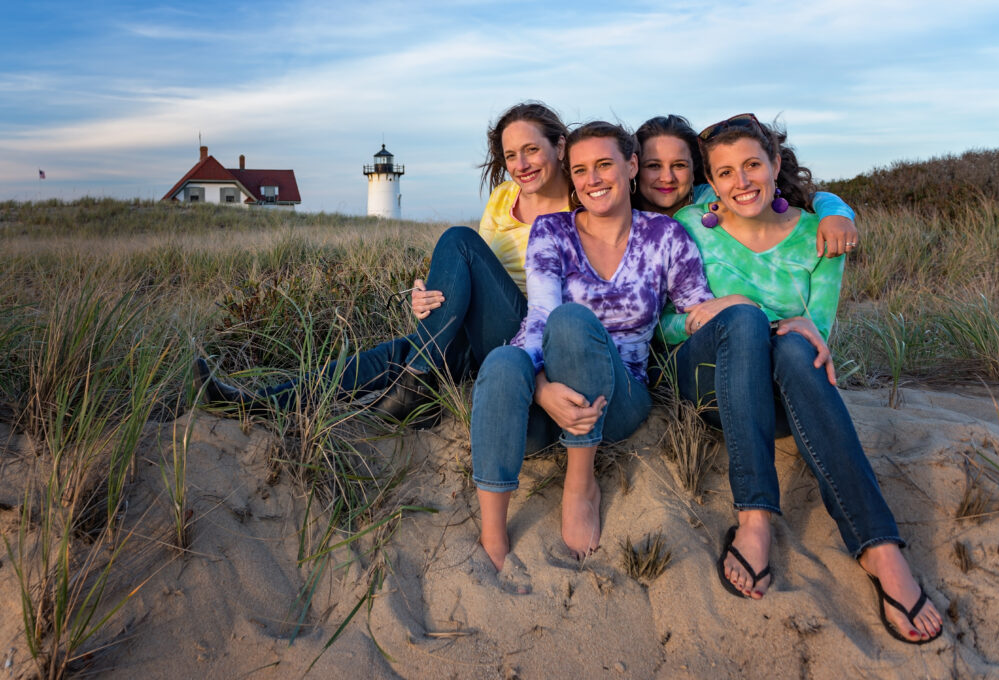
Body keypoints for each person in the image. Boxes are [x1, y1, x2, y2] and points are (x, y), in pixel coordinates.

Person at [661, 113, 942, 644]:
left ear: (776, 165)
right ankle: (755, 519)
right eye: (725, 173)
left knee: (797, 342)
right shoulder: (692, 228)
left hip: (785, 400)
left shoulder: (819, 237)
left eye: (752, 166)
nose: (741, 182)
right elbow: (668, 327)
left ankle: (880, 547)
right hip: (707, 383)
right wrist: (731, 306)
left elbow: (819, 340)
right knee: (743, 318)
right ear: (711, 183)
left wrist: (836, 207)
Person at [196, 102, 571, 425]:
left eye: (531, 150)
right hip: (483, 334)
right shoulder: (504, 196)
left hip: (531, 337)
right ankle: (259, 403)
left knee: (458, 239)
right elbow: (485, 271)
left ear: (559, 146)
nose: (520, 164)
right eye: (510, 155)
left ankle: (417, 382)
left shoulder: (580, 205)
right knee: (393, 353)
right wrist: (438, 299)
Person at [470, 121, 713, 584]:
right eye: (580, 170)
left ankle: (580, 485)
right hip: (555, 399)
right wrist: (540, 389)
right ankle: (494, 530)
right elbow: (539, 315)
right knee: (505, 359)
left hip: (619, 399)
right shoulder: (552, 230)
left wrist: (742, 308)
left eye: (604, 165)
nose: (593, 179)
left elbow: (694, 311)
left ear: (631, 166)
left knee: (573, 319)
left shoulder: (663, 235)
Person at [631, 114, 859, 257]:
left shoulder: (713, 198)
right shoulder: (624, 212)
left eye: (679, 165)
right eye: (653, 166)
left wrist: (835, 214)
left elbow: (807, 198)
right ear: (634, 167)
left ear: (695, 169)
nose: (667, 177)